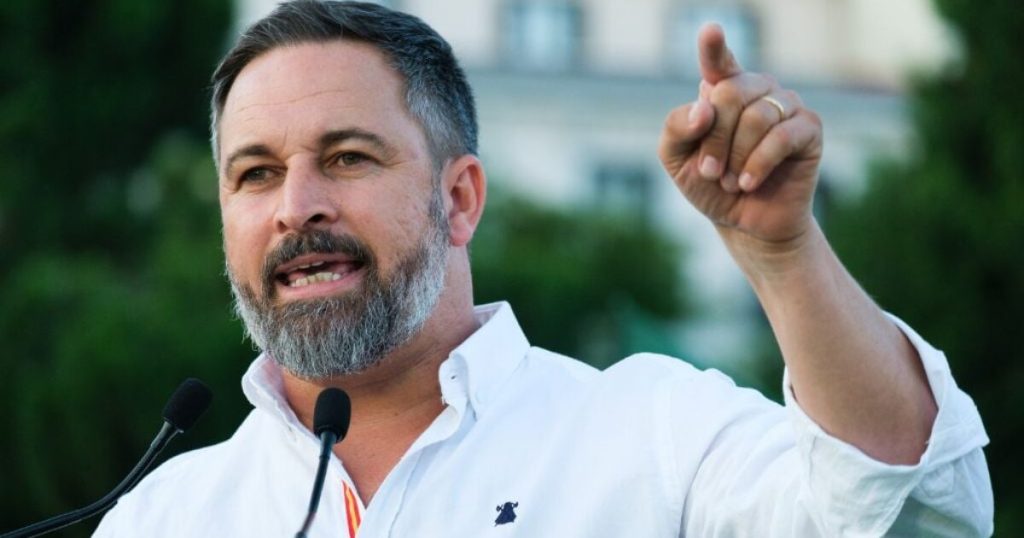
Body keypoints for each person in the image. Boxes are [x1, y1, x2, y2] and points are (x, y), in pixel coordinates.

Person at [94, 1, 993, 536]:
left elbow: (911, 513)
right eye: (255, 174)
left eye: (347, 157)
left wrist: (784, 255)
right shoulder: (161, 517)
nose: (296, 206)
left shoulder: (653, 436)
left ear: (460, 199)